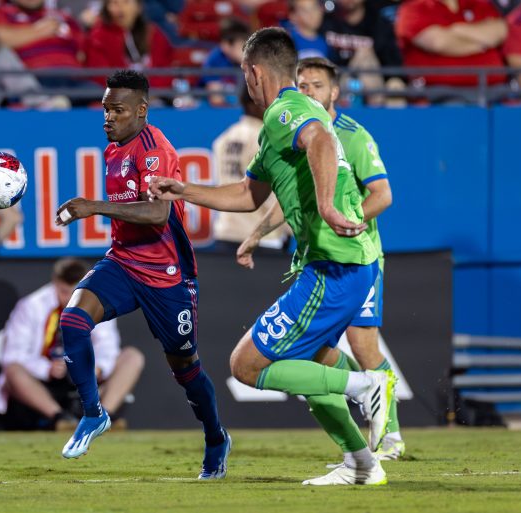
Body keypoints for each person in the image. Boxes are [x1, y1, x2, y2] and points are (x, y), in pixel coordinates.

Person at [149, 28, 396, 486]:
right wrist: (186, 190)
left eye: (244, 74)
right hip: (339, 263)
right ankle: (361, 463)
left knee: (246, 365)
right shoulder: (281, 123)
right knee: (316, 363)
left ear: (254, 72)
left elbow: (321, 139)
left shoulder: (287, 110)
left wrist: (325, 205)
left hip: (334, 266)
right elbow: (248, 194)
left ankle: (367, 386)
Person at [53, 69, 231, 480]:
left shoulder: (155, 151)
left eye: (117, 110)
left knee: (185, 369)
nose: (108, 117)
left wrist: (93, 206)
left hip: (167, 274)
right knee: (74, 319)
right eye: (105, 109)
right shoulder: (113, 147)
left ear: (142, 111)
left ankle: (216, 436)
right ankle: (94, 413)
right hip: (123, 260)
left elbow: (156, 213)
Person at [236, 57, 404, 460]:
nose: (308, 89)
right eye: (303, 83)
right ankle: (361, 454)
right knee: (321, 354)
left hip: (355, 255)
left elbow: (382, 195)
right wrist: (259, 232)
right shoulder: (298, 129)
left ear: (334, 93)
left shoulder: (349, 135)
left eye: (317, 84)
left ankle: (389, 437)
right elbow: (286, 192)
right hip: (320, 256)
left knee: (363, 345)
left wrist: (343, 220)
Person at [0, 258, 144, 431]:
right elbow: (12, 355)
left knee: (132, 357)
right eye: (65, 291)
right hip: (45, 383)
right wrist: (47, 369)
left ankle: (102, 417)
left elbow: (108, 346)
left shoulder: (98, 302)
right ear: (55, 283)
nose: (71, 298)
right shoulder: (30, 306)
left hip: (87, 381)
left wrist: (97, 368)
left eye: (76, 291)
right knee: (12, 370)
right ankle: (61, 419)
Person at [212, 87, 290, 252]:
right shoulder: (264, 139)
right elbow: (275, 193)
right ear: (253, 104)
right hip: (261, 237)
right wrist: (288, 228)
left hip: (227, 231)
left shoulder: (224, 138)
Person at [395, 0, 507, 96]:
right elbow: (438, 43)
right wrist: (484, 43)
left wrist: (458, 29)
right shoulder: (414, 8)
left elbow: (500, 31)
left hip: (495, 90)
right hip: (440, 96)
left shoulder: (478, 4)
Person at [0, 0, 86, 89]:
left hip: (75, 79)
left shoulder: (63, 17)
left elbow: (82, 52)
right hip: (35, 81)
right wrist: (39, 30)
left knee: (97, 94)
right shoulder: (0, 14)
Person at [84, 0, 174, 88]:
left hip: (155, 97)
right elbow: (101, 76)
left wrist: (150, 90)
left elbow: (167, 69)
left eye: (126, 2)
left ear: (138, 7)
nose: (120, 7)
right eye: (114, 2)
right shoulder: (98, 37)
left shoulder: (153, 33)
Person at [199, 17, 250, 106]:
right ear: (225, 46)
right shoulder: (214, 61)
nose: (245, 52)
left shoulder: (252, 59)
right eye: (241, 47)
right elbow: (216, 100)